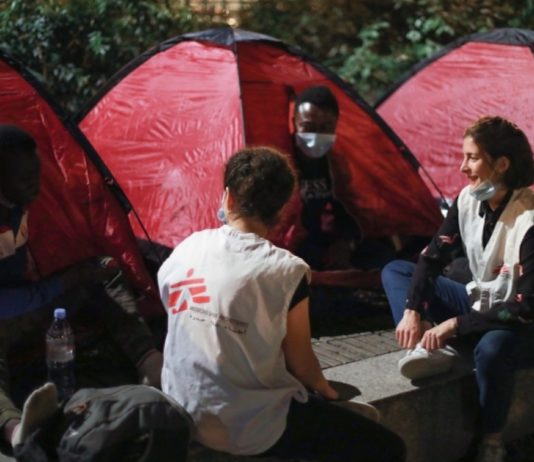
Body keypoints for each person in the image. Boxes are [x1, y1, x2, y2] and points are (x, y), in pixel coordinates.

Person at [158, 146, 406, 461]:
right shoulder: (287, 270)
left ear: (229, 197)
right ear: (283, 210)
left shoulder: (186, 248)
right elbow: (302, 365)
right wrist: (328, 393)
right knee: (388, 448)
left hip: (182, 411)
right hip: (248, 428)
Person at [381, 116, 534, 462]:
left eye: (472, 158)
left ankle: (492, 439)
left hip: (518, 324)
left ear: (502, 164)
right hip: (478, 305)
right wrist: (412, 310)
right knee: (396, 271)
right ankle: (424, 348)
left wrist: (454, 325)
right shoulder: (468, 199)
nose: (463, 167)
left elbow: (526, 307)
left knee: (493, 349)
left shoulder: (529, 219)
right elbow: (431, 258)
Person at [0, 125, 163, 449]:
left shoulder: (19, 207)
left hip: (30, 306)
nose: (34, 183)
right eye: (24, 177)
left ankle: (151, 364)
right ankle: (16, 429)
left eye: (36, 173)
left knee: (103, 272)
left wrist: (75, 276)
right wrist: (62, 282)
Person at [287, 85, 396, 290]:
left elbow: (350, 208)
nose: (317, 135)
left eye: (326, 127)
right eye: (309, 127)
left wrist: (345, 243)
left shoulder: (334, 164)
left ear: (336, 127)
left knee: (384, 256)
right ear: (294, 123)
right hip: (293, 247)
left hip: (326, 242)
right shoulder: (283, 161)